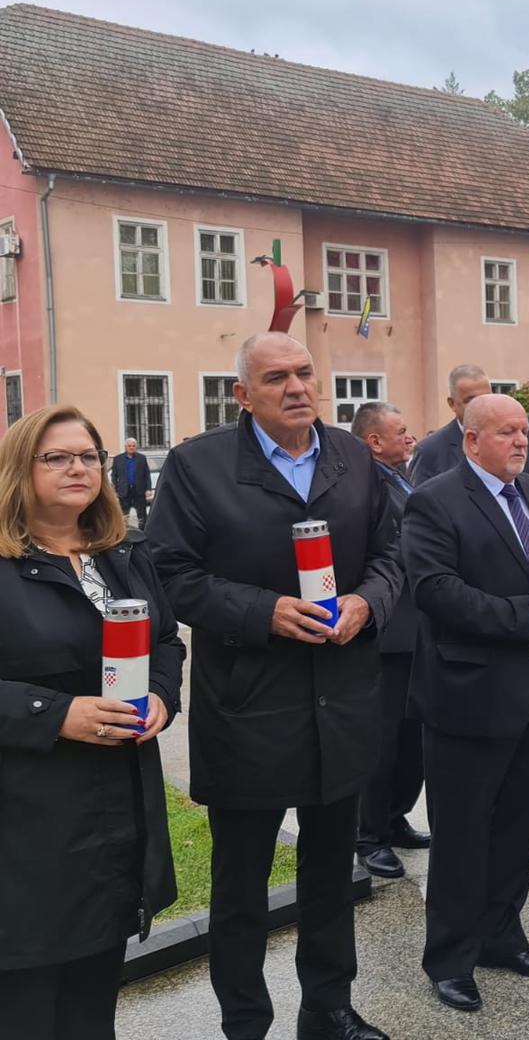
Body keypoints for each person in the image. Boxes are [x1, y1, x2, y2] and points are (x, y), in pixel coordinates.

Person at [147, 332, 400, 1040]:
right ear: (242, 395)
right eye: (276, 377)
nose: (295, 387)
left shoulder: (353, 457)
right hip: (249, 706)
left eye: (304, 373)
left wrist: (366, 604)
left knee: (331, 873)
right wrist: (264, 612)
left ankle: (328, 1010)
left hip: (341, 701)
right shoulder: (198, 467)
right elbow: (171, 574)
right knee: (241, 887)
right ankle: (245, 1023)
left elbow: (392, 553)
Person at [0, 406, 184, 1040]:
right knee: (27, 1006)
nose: (77, 468)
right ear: (18, 469)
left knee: (92, 1006)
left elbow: (167, 640)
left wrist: (161, 695)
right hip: (27, 826)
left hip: (117, 817)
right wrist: (56, 714)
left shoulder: (122, 553)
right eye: (56, 457)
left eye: (88, 456)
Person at [403, 394, 529, 1014]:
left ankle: (502, 936)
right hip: (468, 696)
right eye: (506, 432)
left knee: (515, 826)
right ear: (471, 439)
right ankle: (451, 958)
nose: (520, 441)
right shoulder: (434, 500)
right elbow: (435, 591)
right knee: (462, 834)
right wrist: (524, 619)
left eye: (524, 431)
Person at [350, 401, 430, 879]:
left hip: (416, 628)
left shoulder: (402, 477)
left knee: (410, 738)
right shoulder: (363, 488)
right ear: (374, 441)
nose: (410, 437)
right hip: (387, 632)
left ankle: (396, 816)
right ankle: (369, 835)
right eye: (400, 431)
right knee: (381, 739)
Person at [410, 365, 529, 483]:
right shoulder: (430, 450)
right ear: (452, 403)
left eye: (486, 398)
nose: (481, 405)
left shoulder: (522, 429)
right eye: (470, 400)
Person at [110, 435, 153, 529]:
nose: (131, 447)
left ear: (136, 447)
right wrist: (116, 488)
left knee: (142, 514)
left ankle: (143, 532)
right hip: (124, 491)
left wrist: (148, 489)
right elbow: (114, 475)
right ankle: (124, 532)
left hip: (139, 490)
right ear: (126, 447)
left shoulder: (142, 458)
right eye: (129, 446)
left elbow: (147, 474)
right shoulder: (118, 459)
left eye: (133, 446)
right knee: (124, 514)